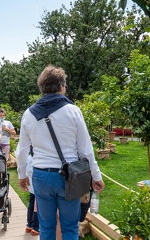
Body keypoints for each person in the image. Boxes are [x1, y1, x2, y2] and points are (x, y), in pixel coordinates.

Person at [15, 65, 105, 240]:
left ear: (42, 87)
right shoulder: (73, 111)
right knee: (70, 227)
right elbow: (86, 149)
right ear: (62, 86)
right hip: (69, 177)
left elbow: (22, 150)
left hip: (41, 176)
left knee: (46, 227)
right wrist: (96, 176)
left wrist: (22, 174)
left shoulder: (28, 114)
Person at [25, 145, 39, 236]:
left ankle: (29, 225)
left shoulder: (29, 158)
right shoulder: (37, 161)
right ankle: (35, 227)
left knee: (31, 204)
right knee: (37, 207)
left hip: (31, 187)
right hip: (38, 187)